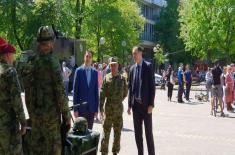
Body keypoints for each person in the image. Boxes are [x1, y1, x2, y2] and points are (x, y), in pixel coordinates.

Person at [22, 26, 71, 154]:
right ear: (50, 43)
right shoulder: (52, 62)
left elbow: (27, 91)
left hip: (35, 119)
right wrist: (67, 116)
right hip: (51, 121)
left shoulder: (30, 62)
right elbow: (60, 92)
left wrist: (32, 114)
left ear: (39, 42)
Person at [0, 38, 27, 155]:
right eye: (12, 55)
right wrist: (23, 122)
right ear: (7, 55)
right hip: (9, 126)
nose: (13, 58)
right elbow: (17, 101)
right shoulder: (10, 72)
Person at [128, 46, 155, 155]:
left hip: (146, 106)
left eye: (135, 53)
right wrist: (129, 105)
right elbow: (130, 88)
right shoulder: (132, 69)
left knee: (148, 133)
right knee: (138, 134)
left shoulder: (148, 66)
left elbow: (152, 87)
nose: (134, 56)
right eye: (133, 54)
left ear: (140, 53)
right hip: (136, 106)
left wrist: (151, 105)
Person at [100, 57, 128, 155]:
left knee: (117, 133)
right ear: (109, 66)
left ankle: (115, 151)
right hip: (108, 110)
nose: (113, 67)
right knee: (106, 132)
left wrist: (118, 101)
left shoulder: (122, 79)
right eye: (111, 65)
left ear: (117, 65)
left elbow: (125, 93)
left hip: (118, 111)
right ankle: (104, 152)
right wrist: (101, 108)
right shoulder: (106, 78)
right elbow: (102, 94)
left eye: (114, 65)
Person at [73, 50, 99, 129]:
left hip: (91, 109)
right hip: (81, 109)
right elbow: (75, 91)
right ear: (84, 57)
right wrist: (75, 109)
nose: (88, 58)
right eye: (86, 56)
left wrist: (96, 109)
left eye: (90, 57)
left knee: (89, 132)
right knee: (80, 133)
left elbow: (96, 92)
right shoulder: (79, 71)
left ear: (92, 59)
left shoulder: (95, 72)